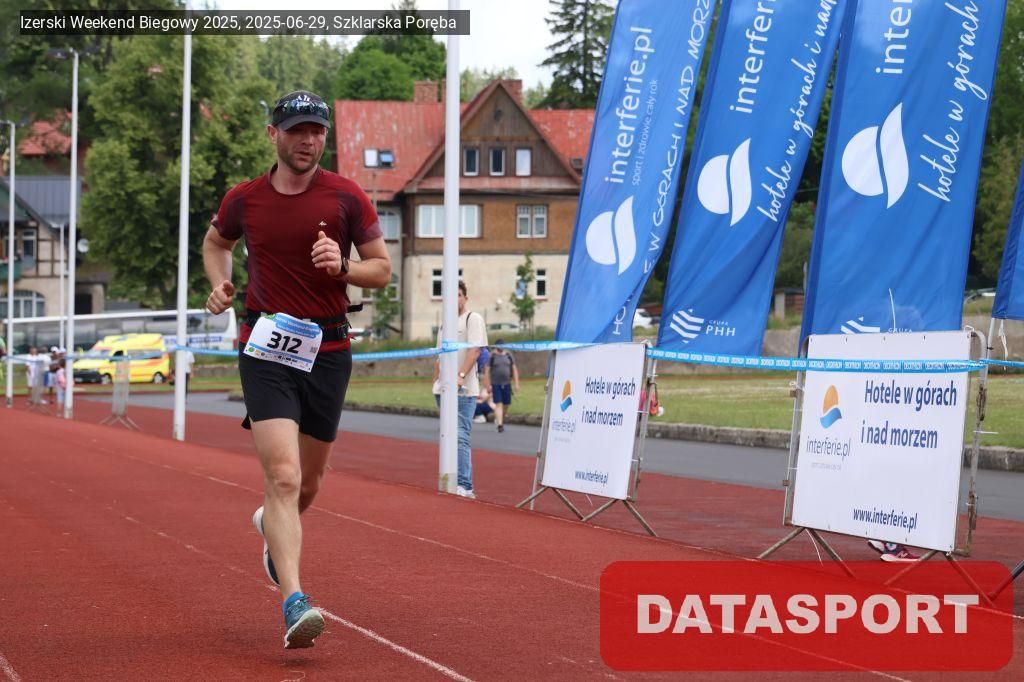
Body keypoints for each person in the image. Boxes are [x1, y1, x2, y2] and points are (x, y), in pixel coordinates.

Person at [203, 89, 391, 650]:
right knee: (282, 477)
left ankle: (272, 525)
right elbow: (216, 242)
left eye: (317, 131)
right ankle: (294, 600)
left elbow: (381, 270)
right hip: (265, 349)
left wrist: (345, 266)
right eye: (297, 130)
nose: (308, 140)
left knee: (308, 484)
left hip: (328, 351)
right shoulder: (245, 199)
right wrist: (219, 284)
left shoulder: (347, 196)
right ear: (274, 135)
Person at [432, 280, 488, 498]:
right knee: (447, 435)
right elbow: (439, 356)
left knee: (460, 435)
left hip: (464, 389)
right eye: (450, 295)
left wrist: (460, 376)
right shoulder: (444, 324)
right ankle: (451, 479)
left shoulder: (472, 319)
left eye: (458, 295)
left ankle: (466, 485)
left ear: (465, 297)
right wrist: (436, 382)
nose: (454, 299)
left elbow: (475, 351)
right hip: (443, 389)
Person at [485, 341, 519, 433]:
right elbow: (487, 371)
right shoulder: (492, 356)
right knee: (498, 403)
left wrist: (516, 383)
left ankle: (500, 419)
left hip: (507, 383)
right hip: (496, 384)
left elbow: (514, 369)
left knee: (506, 404)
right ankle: (500, 424)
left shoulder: (508, 355)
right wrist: (487, 385)